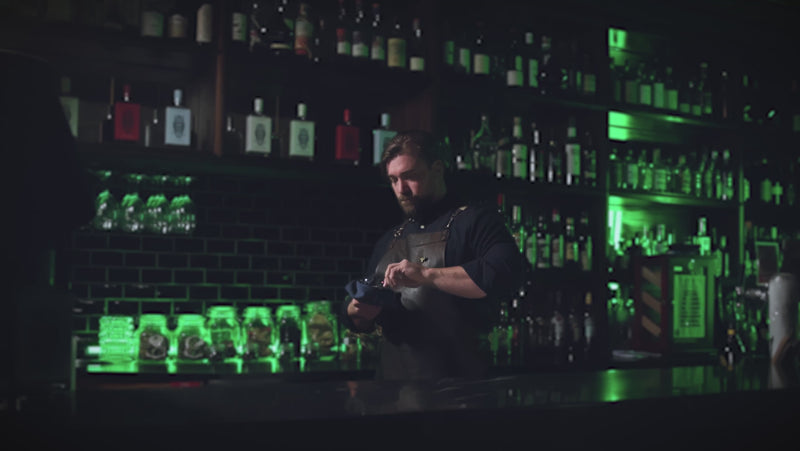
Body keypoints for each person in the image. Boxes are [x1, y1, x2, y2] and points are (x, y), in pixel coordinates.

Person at [340, 130, 525, 381]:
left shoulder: (475, 221)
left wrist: (427, 274)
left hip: (461, 394)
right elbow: (358, 312)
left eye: (410, 177)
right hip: (392, 393)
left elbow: (503, 272)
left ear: (437, 169)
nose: (401, 189)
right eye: (393, 180)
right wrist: (357, 311)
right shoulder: (391, 238)